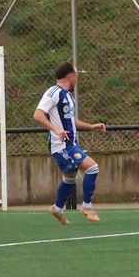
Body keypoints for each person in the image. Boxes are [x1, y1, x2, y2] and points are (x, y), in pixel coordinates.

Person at [34, 62, 108, 224]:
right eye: (77, 75)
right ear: (70, 76)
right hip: (61, 146)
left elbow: (70, 121)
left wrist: (91, 126)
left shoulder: (67, 96)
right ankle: (87, 207)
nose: (77, 79)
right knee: (92, 167)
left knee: (69, 179)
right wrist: (56, 130)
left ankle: (57, 208)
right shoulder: (53, 92)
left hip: (68, 144)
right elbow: (38, 114)